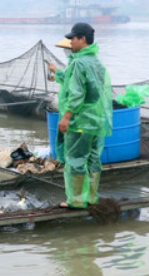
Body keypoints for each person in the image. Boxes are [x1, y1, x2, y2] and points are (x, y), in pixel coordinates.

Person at [47, 22, 112, 209]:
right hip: (96, 119)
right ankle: (91, 197)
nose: (71, 43)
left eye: (73, 39)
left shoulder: (78, 62)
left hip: (80, 120)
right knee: (93, 158)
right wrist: (58, 73)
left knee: (76, 158)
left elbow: (77, 94)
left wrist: (66, 117)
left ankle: (75, 200)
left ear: (83, 39)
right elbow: (94, 89)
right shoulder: (97, 62)